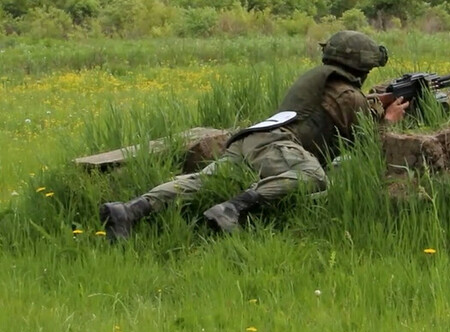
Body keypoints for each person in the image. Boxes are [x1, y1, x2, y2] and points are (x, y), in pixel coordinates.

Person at [99, 30, 409, 241]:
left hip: (251, 139)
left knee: (199, 181)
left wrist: (374, 102)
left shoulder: (322, 80)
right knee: (313, 175)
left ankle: (128, 210)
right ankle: (232, 208)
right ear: (362, 67)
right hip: (276, 145)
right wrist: (390, 120)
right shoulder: (347, 96)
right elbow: (371, 145)